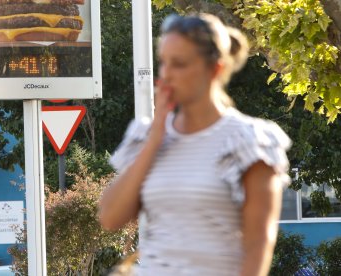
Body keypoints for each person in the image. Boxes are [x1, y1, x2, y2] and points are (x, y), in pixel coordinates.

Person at [99, 13, 292, 275]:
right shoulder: (146, 134)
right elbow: (110, 217)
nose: (166, 74)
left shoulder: (250, 141)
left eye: (178, 64)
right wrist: (155, 137)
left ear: (215, 69)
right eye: (163, 63)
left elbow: (259, 244)